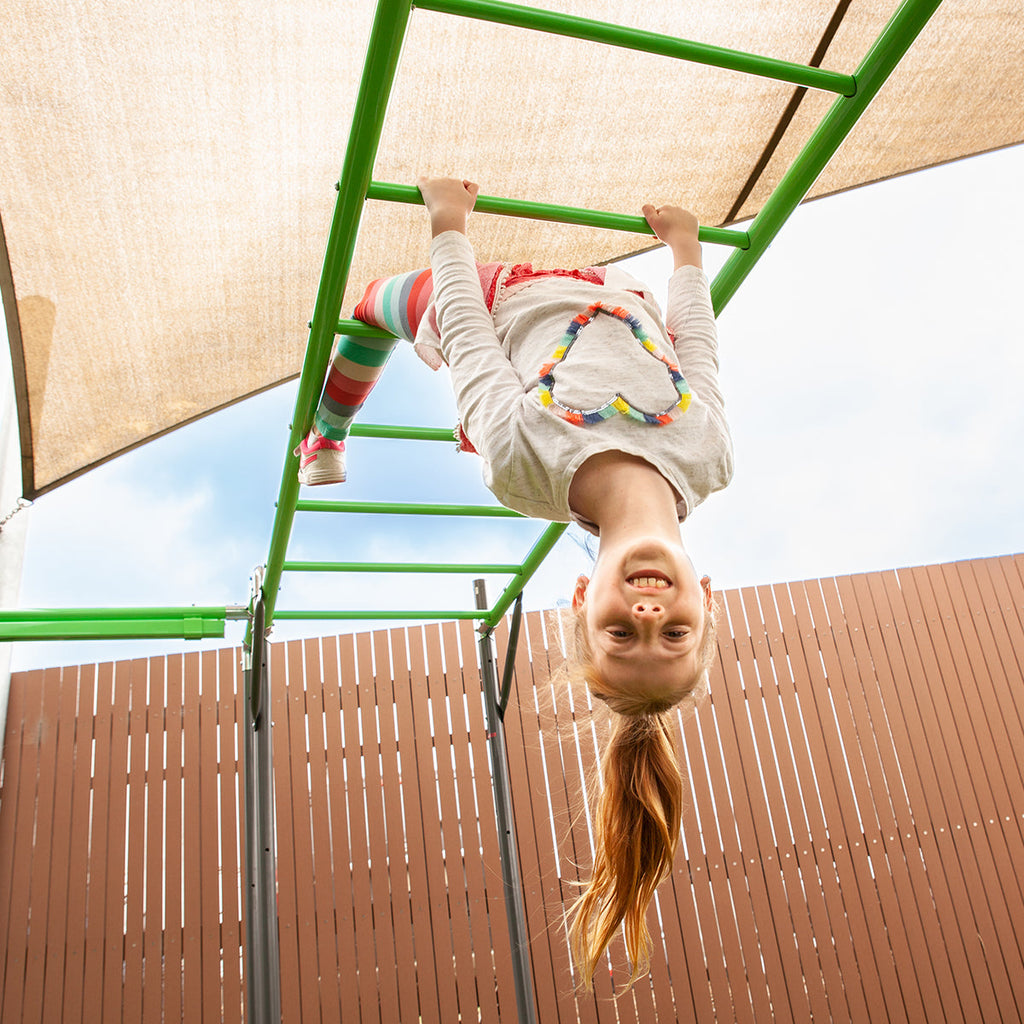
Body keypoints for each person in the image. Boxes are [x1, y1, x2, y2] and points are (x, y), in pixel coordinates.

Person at [298, 176, 733, 988]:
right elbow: (698, 351)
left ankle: (326, 432)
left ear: (581, 600)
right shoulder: (709, 460)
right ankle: (332, 423)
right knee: (616, 294)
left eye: (620, 632)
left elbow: (467, 335)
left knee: (369, 309)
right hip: (609, 296)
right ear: (705, 600)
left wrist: (449, 228)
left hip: (495, 296)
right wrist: (685, 254)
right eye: (672, 632)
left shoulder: (525, 468)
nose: (647, 611)